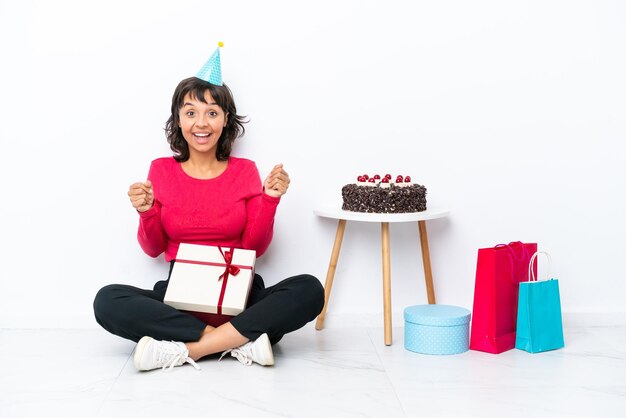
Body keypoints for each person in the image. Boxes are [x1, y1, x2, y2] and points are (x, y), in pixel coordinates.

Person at [93, 74, 325, 372]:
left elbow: (256, 246)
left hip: (241, 297)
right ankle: (240, 342)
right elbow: (153, 249)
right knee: (107, 300)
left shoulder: (244, 171)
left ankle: (189, 349)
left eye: (212, 113)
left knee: (309, 289)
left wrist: (269, 198)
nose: (201, 123)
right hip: (180, 300)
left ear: (226, 119)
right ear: (178, 119)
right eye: (191, 113)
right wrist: (146, 211)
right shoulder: (161, 170)